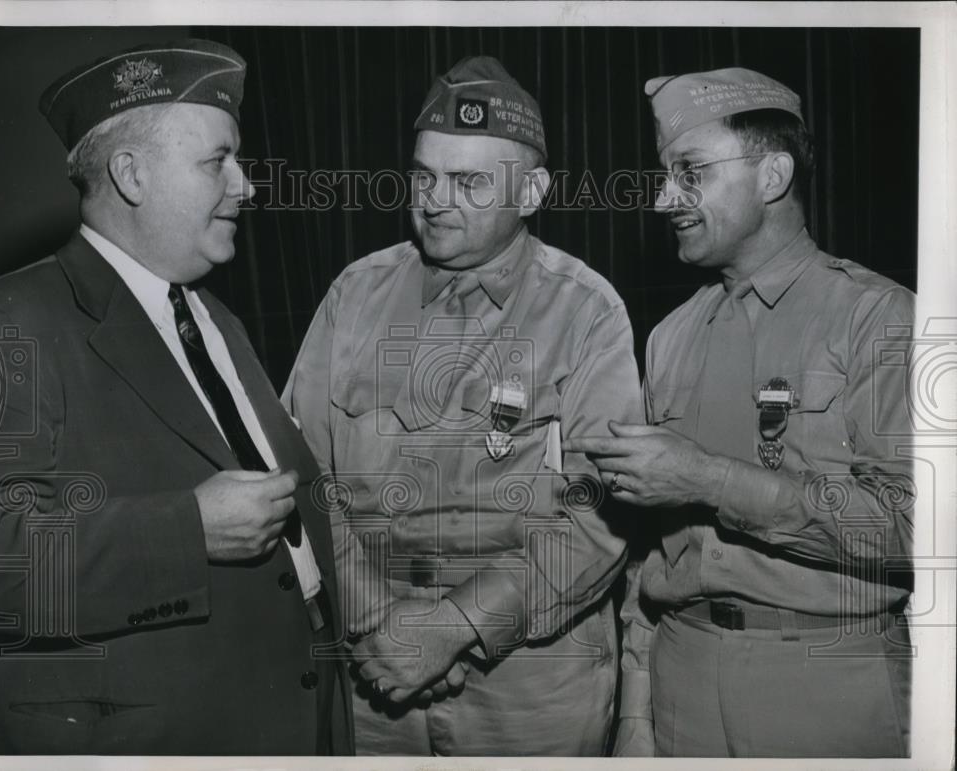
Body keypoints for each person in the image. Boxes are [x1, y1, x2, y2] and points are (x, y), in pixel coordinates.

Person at [0, 39, 352, 755]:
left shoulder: (216, 318)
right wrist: (189, 530)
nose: (246, 184)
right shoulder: (11, 321)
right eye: (217, 161)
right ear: (131, 174)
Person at [283, 55, 644, 756]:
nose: (435, 199)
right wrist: (374, 616)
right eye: (424, 175)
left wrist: (454, 626)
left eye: (469, 181)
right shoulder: (354, 296)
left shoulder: (587, 312)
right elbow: (300, 473)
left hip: (532, 678)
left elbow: (601, 511)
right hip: (373, 669)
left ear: (533, 190)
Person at [567, 67, 914, 757]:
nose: (666, 198)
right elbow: (647, 549)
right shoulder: (668, 338)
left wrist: (710, 479)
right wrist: (636, 714)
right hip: (682, 679)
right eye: (666, 174)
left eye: (690, 171)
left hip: (827, 681)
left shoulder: (879, 319)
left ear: (773, 175)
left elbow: (912, 530)